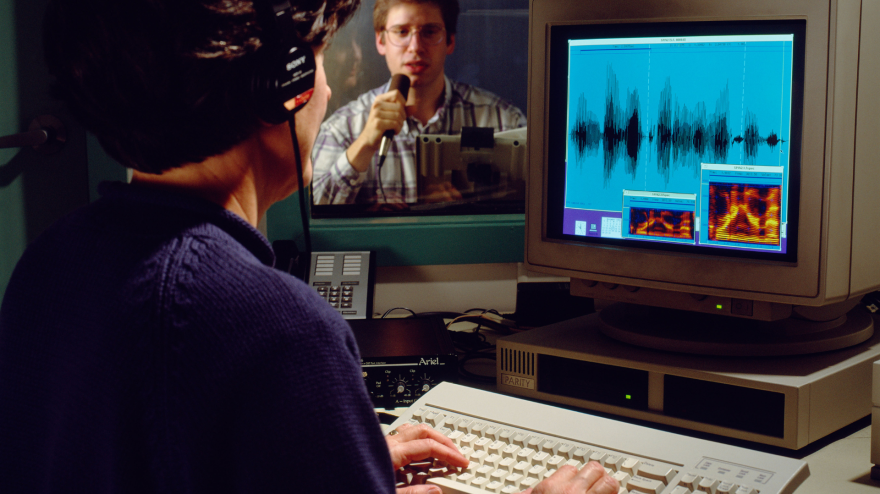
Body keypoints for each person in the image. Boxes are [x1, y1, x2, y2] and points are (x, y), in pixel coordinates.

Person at [0, 0, 617, 493]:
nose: (323, 89)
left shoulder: (48, 264)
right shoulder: (281, 331)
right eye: (318, 60)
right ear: (282, 85)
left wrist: (338, 461)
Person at [310, 0, 527, 205]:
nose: (415, 47)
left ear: (450, 41)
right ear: (381, 41)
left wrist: (464, 213)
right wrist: (364, 144)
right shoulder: (342, 129)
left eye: (429, 31)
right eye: (402, 32)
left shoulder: (504, 122)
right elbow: (313, 216)